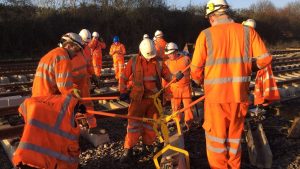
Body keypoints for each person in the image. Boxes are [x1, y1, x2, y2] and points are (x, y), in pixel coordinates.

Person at [191, 0, 272, 168]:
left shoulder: (205, 35)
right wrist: (248, 67)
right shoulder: (248, 32)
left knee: (216, 141)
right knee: (234, 140)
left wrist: (200, 82)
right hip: (239, 97)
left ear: (213, 16)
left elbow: (195, 70)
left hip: (216, 99)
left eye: (209, 18)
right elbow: (265, 59)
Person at [118, 39, 184, 162]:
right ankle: (128, 149)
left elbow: (168, 76)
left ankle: (148, 145)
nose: (149, 58)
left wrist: (176, 77)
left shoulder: (159, 62)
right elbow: (123, 77)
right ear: (141, 52)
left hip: (154, 100)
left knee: (152, 125)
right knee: (133, 125)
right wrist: (122, 92)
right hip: (138, 99)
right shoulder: (133, 61)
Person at [32, 32, 83, 97]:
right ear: (69, 46)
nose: (77, 54)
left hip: (37, 96)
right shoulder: (64, 58)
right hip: (48, 99)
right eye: (76, 50)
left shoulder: (51, 54)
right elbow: (65, 88)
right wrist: (73, 93)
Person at [164, 42, 194, 127]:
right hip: (174, 88)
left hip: (186, 87)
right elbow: (164, 79)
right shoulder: (167, 63)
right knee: (175, 107)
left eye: (170, 54)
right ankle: (177, 121)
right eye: (168, 54)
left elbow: (193, 70)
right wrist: (166, 91)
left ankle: (189, 122)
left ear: (175, 52)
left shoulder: (186, 59)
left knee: (188, 106)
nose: (168, 56)